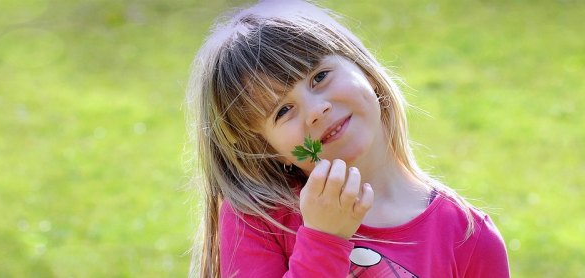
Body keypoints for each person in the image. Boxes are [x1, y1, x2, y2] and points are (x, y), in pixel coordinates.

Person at [185, 1, 510, 277]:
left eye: (320, 76)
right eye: (283, 110)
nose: (315, 110)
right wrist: (322, 239)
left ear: (364, 70)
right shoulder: (260, 218)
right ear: (269, 150)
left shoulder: (470, 239)